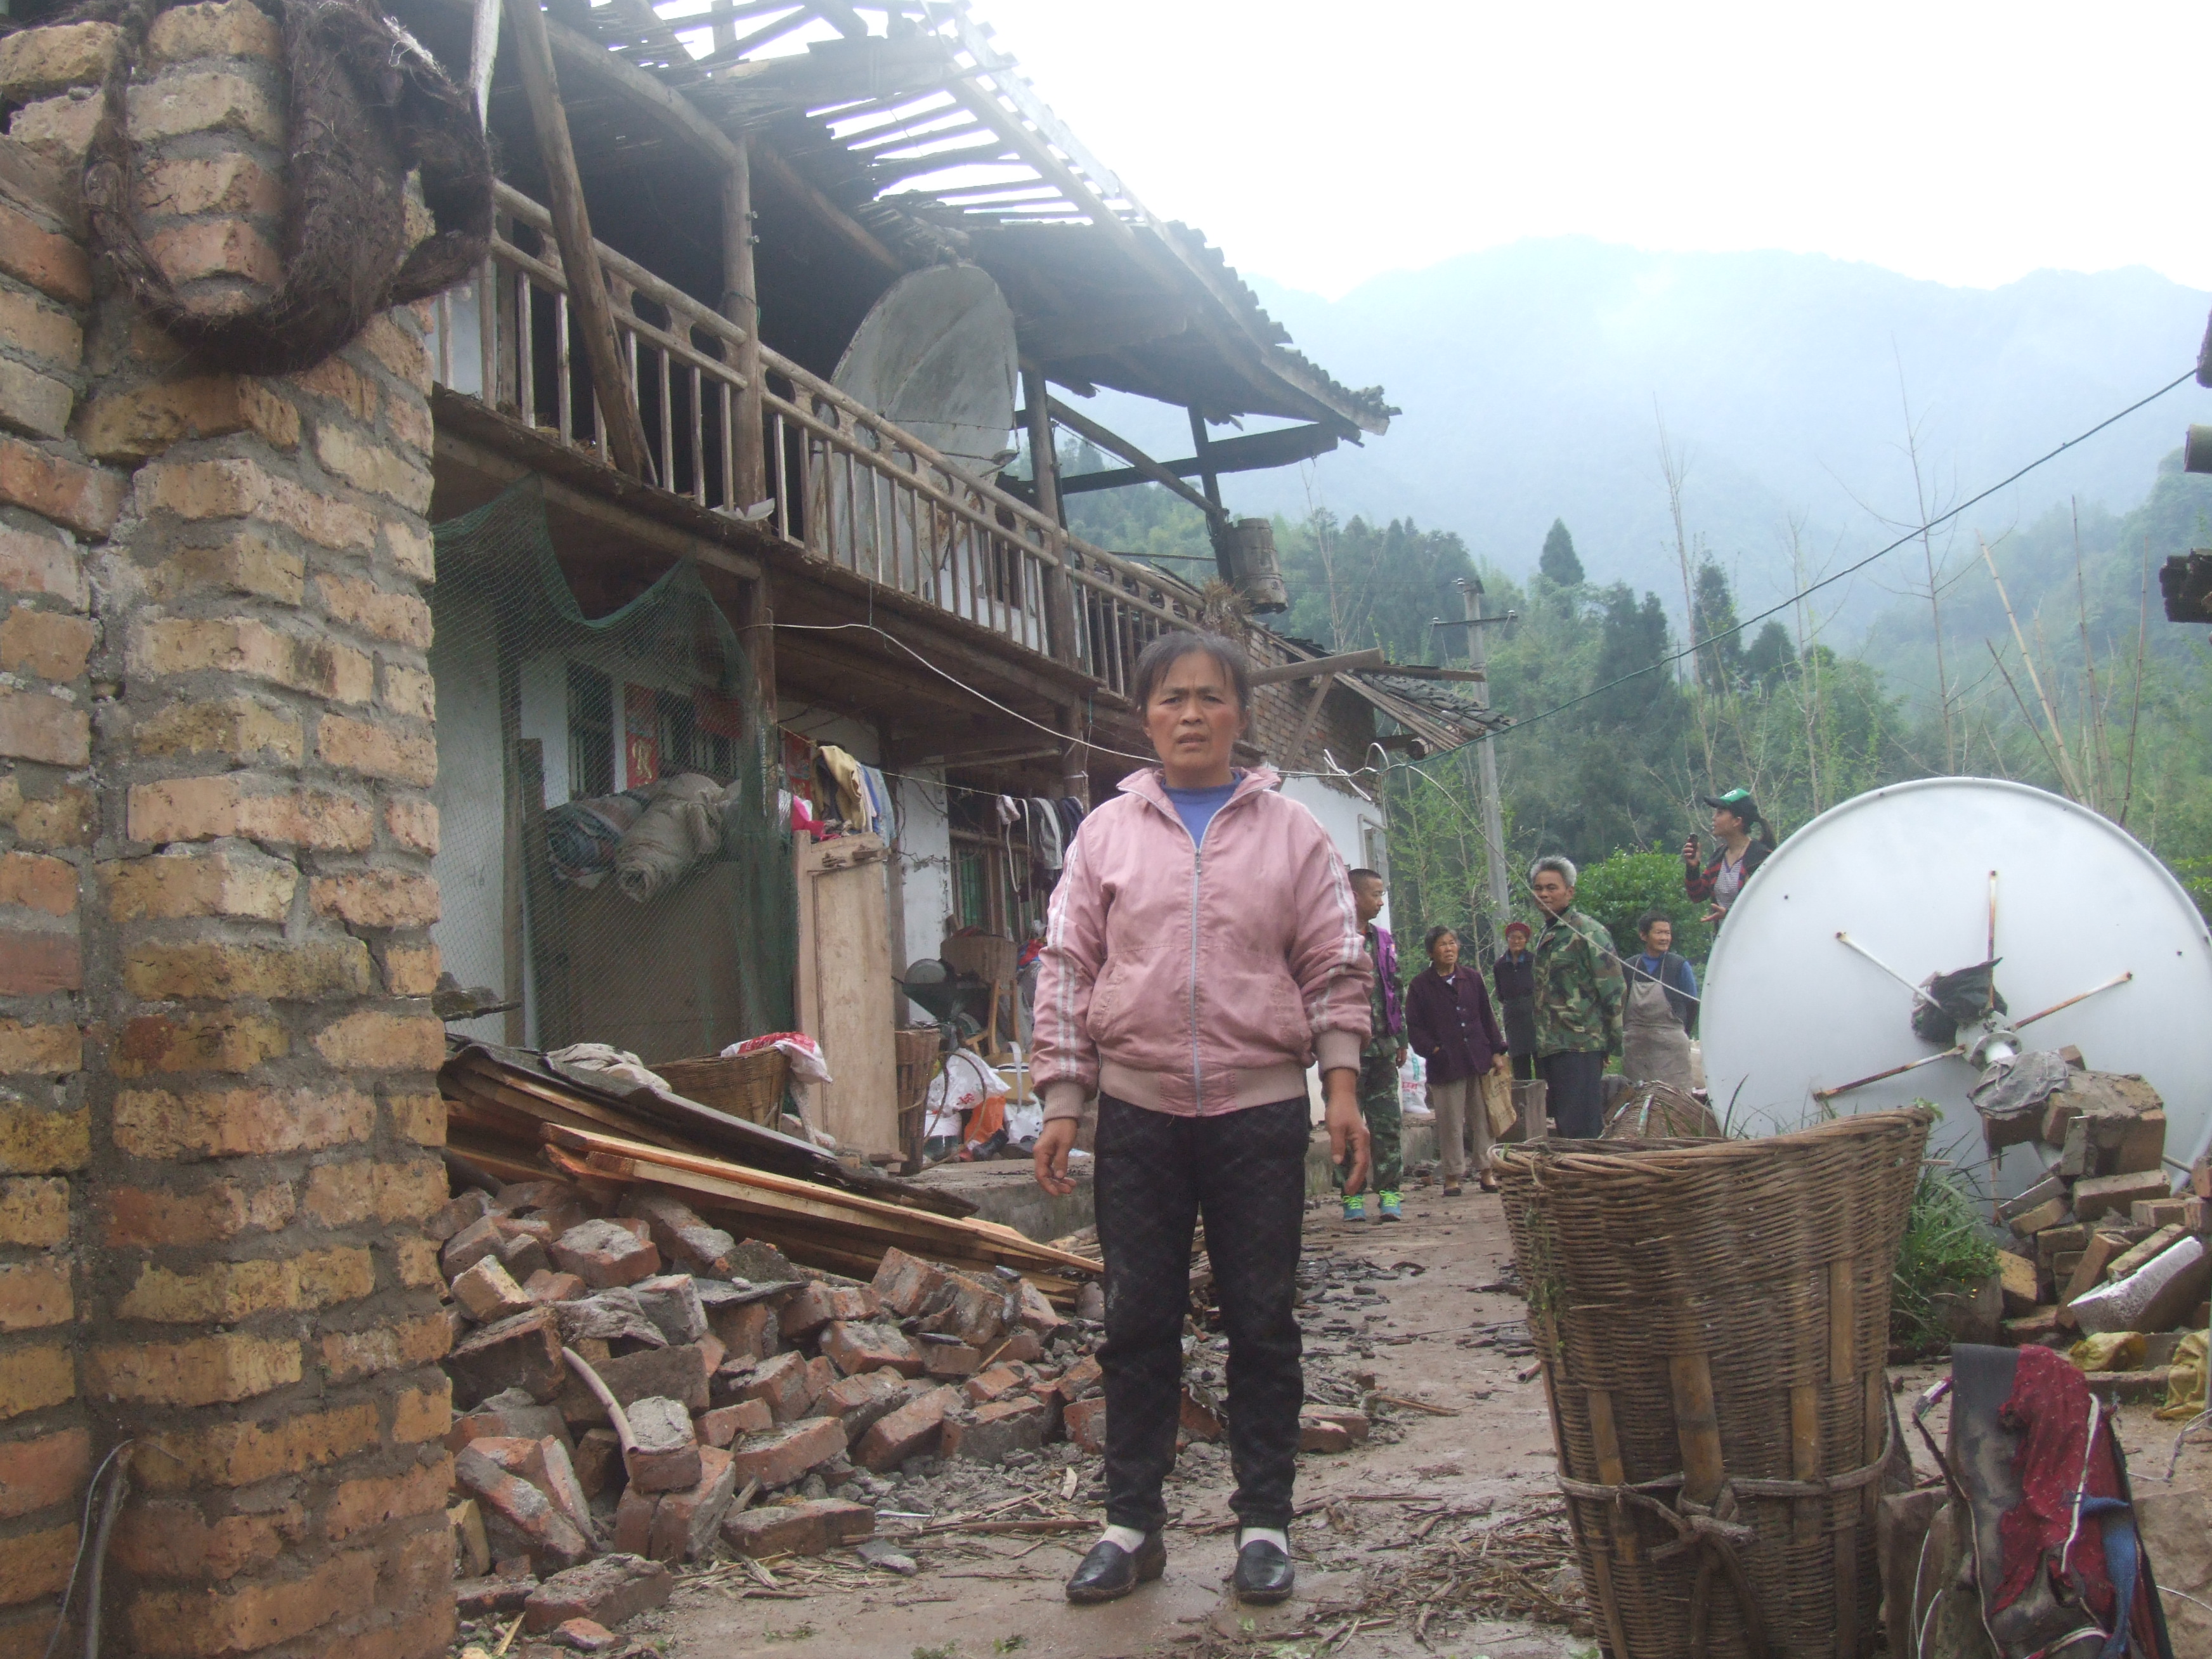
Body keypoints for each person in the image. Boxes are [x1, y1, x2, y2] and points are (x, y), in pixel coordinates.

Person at [1030, 629, 1372, 1611]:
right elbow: (1066, 966)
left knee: (1262, 1323)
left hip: (1258, 1114)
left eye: (1211, 698)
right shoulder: (1106, 833)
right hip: (1138, 1114)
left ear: (1240, 715)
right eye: (1172, 698)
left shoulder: (1294, 834)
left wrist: (1340, 1086)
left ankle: (1263, 1525)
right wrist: (1064, 1098)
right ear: (1144, 717)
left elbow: (1335, 963)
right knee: (1138, 1322)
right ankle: (1129, 1525)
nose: (1190, 714)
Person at [1405, 925, 1510, 1194]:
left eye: (1452, 943)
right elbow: (1415, 1027)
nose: (1449, 949)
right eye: (1442, 944)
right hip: (1446, 1064)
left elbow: (1487, 1016)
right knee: (1450, 1122)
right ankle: (1453, 1176)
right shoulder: (1420, 986)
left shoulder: (1472, 978)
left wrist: (1497, 1052)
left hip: (1478, 1058)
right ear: (1431, 952)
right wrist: (1435, 1051)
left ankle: (1487, 1171)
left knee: (1483, 1119)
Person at [1527, 856, 1622, 1138]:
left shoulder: (1587, 932)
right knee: (1566, 1125)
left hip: (1581, 1045)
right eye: (1538, 888)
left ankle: (1591, 1178)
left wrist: (1611, 1043)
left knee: (1583, 1127)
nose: (1544, 894)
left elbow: (1613, 989)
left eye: (1551, 888)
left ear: (1570, 891)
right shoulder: (1548, 933)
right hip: (1552, 1046)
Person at [1343, 869, 1406, 1222]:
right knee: (1350, 1125)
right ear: (1354, 896)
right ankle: (1351, 1196)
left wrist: (1401, 1038)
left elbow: (1396, 989)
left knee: (1386, 1124)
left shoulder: (1384, 941)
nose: (1381, 902)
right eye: (1375, 894)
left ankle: (1390, 1193)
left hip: (1382, 1047)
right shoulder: (1336, 939)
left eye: (1383, 894)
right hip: (1347, 1051)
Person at [1620, 910, 1698, 1091]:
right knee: (1637, 1100)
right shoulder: (1629, 966)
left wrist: (1682, 1032)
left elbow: (1693, 1003)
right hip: (1637, 1046)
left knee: (1675, 1100)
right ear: (1643, 935)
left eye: (1668, 933)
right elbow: (1620, 1004)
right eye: (1659, 933)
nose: (1665, 938)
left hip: (1671, 1046)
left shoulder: (1679, 965)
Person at [1682, 788, 1772, 925]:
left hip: (1756, 939)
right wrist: (1692, 868)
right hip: (1725, 941)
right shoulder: (1719, 856)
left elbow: (1768, 907)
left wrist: (1729, 915)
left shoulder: (1760, 858)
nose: (1714, 818)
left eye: (1720, 813)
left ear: (1737, 821)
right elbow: (1697, 895)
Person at [1492, 920, 1538, 1081]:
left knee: (1541, 1058)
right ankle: (1523, 1098)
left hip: (1535, 1013)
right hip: (1513, 1015)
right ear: (1507, 939)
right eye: (1513, 938)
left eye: (1520, 938)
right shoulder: (1500, 965)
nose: (1516, 941)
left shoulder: (1535, 961)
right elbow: (1500, 994)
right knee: (1519, 1060)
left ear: (1526, 940)